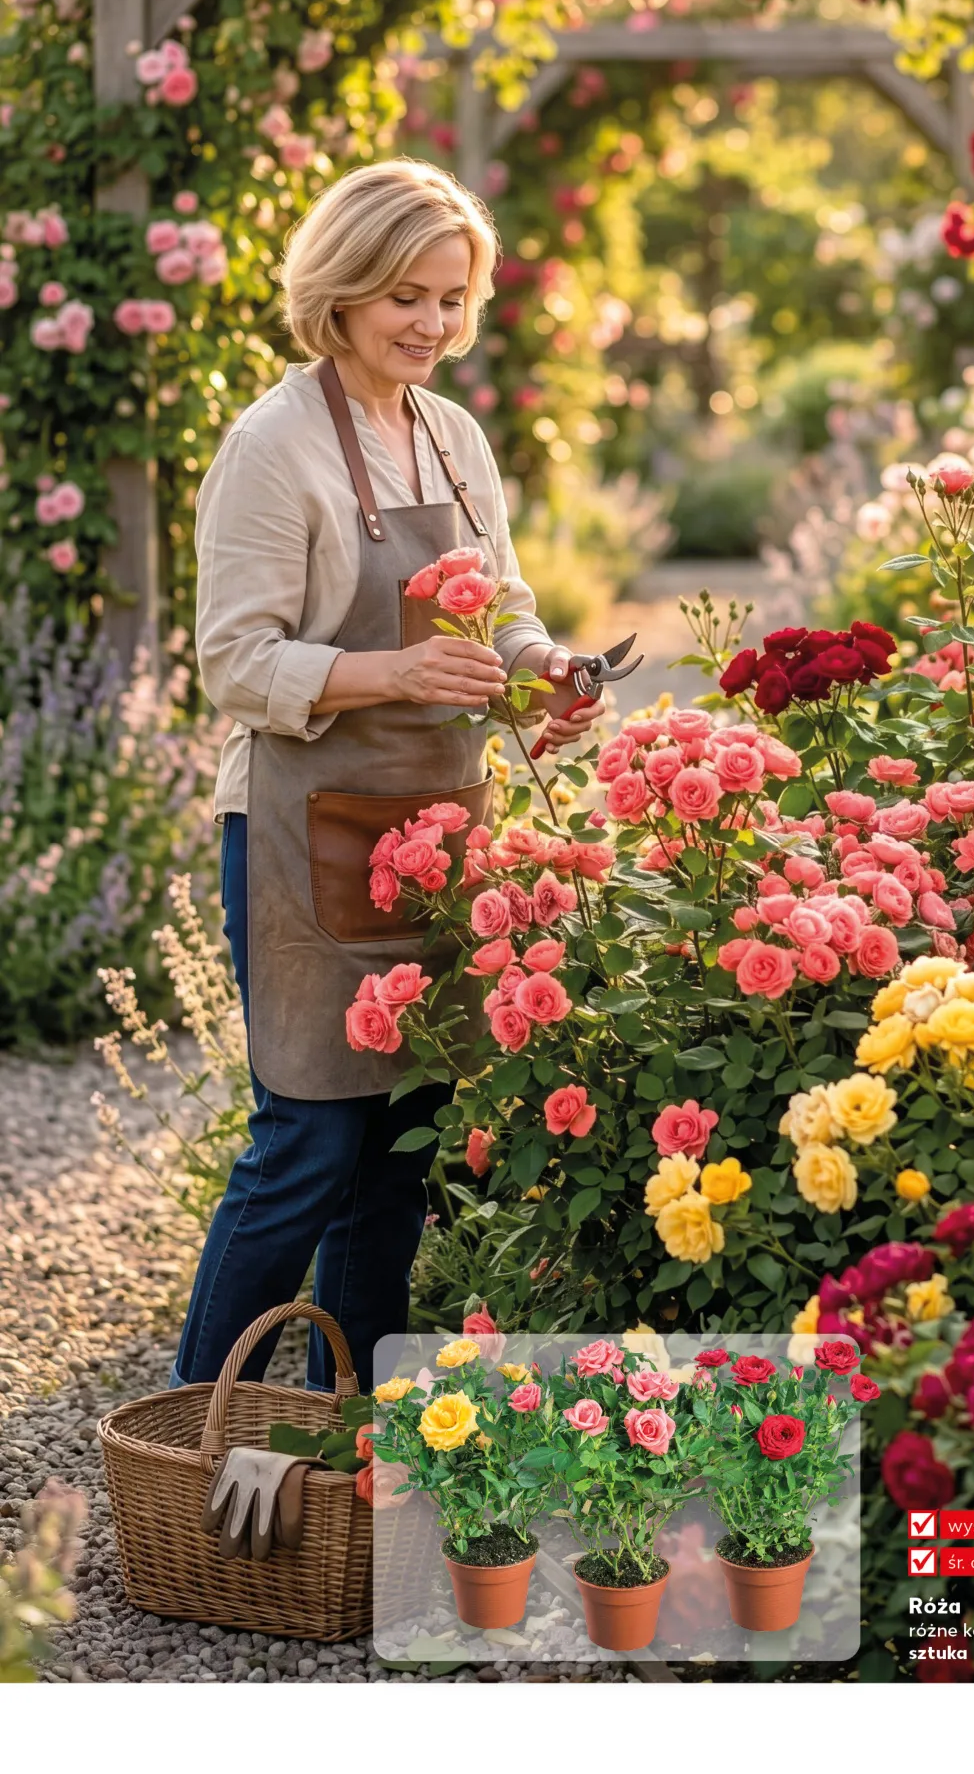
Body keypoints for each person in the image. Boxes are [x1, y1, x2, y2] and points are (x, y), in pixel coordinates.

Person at [171, 159, 604, 1395]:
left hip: (435, 825)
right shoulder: (273, 445)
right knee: (306, 1138)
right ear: (343, 290)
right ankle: (191, 1426)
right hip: (303, 835)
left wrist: (542, 673)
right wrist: (400, 672)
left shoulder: (450, 435)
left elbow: (503, 606)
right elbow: (235, 663)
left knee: (400, 1146)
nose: (431, 323)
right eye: (405, 296)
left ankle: (341, 1434)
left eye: (453, 299)